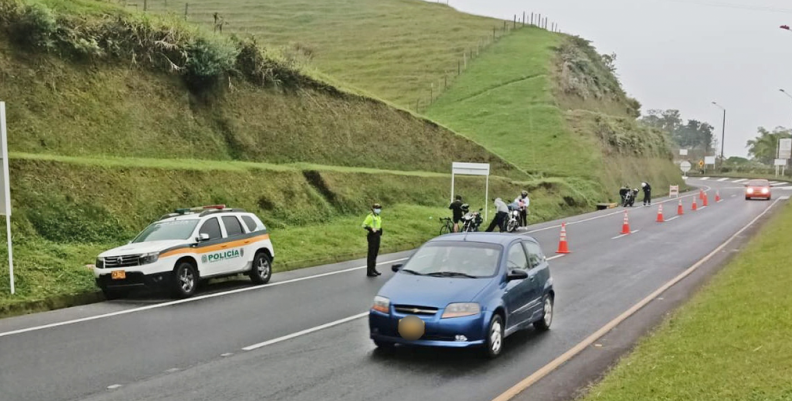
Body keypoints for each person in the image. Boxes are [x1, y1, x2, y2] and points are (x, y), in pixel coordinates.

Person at [362, 203, 383, 277]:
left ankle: (374, 269)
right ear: (373, 209)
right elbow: (364, 225)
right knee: (371, 253)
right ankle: (369, 271)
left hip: (377, 235)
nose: (378, 209)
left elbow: (379, 225)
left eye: (379, 208)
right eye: (377, 208)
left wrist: (380, 231)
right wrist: (371, 229)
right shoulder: (370, 216)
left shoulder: (378, 216)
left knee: (375, 253)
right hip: (372, 236)